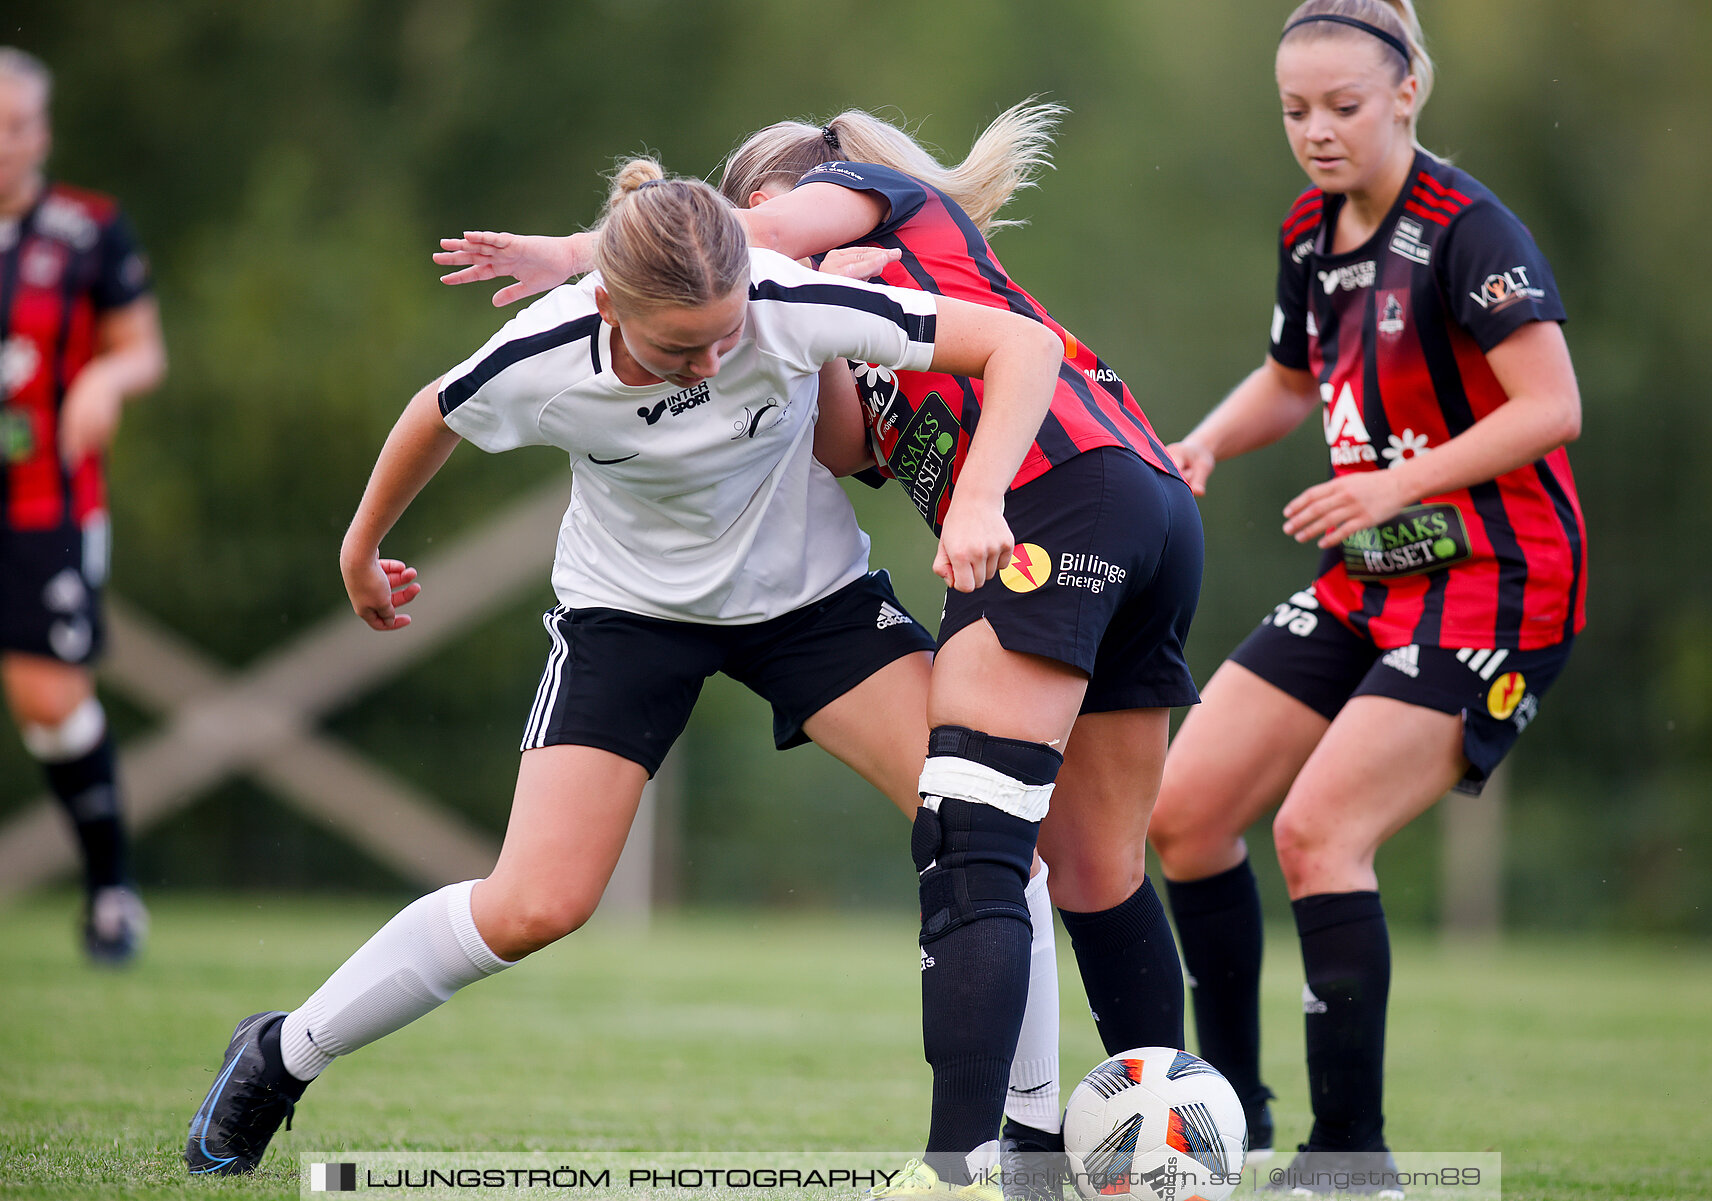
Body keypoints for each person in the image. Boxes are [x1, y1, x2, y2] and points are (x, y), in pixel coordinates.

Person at [183, 158, 1068, 1177]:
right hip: (629, 617)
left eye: (727, 334)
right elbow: (435, 411)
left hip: (811, 604)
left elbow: (1021, 344)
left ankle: (1026, 1146)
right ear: (605, 303)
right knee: (535, 905)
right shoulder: (546, 350)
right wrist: (358, 548)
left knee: (990, 828)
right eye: (682, 345)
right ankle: (279, 1054)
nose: (712, 362)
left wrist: (980, 499)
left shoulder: (780, 301)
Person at [438, 102, 1207, 1197]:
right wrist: (825, 328)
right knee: (1093, 866)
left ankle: (967, 1169)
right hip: (1146, 507)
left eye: (741, 218)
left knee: (972, 840)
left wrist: (583, 256)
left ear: (778, 202)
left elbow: (728, 246)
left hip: (1057, 499)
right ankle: (1173, 1150)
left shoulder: (871, 191)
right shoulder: (851, 305)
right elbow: (843, 441)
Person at [1143, 1, 1586, 1192]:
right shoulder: (1311, 229)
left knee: (1318, 831)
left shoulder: (1470, 232)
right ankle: (1227, 1117)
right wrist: (1203, 446)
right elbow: (1292, 378)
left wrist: (1393, 483)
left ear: (1408, 92)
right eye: (1296, 109)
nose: (1318, 132)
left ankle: (1352, 1158)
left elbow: (1550, 408)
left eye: (1344, 106)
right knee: (1184, 812)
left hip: (1499, 583)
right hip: (1372, 578)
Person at [0, 47, 165, 964]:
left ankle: (110, 889)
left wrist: (105, 377)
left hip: (46, 500)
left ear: (41, 131)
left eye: (15, 127)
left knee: (50, 698)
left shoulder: (88, 229)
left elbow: (143, 348)